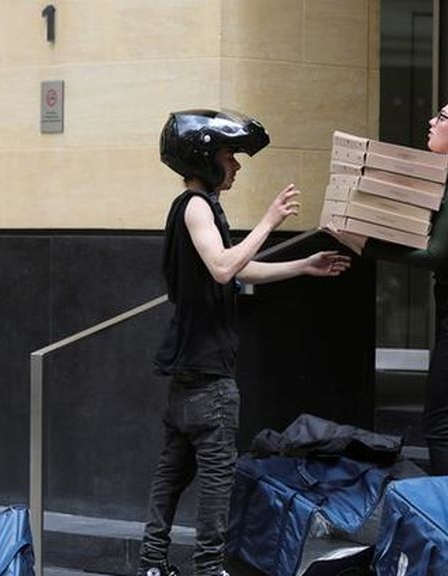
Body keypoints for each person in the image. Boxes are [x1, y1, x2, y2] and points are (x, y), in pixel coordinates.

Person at [137, 109, 351, 576]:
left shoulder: (194, 209)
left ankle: (152, 563)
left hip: (188, 367)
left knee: (173, 469)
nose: (236, 165)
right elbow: (223, 268)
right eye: (230, 155)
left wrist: (302, 266)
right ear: (205, 157)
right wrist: (270, 220)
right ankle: (210, 567)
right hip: (209, 373)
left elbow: (236, 269)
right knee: (216, 473)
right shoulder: (195, 206)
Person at [326, 97, 448, 476]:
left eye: (441, 117)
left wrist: (361, 243)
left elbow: (433, 254)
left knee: (443, 430)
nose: (431, 121)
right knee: (443, 427)